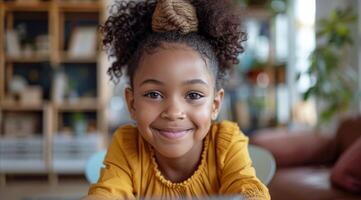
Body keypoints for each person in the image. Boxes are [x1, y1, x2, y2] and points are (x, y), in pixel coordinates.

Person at [85, 0, 270, 199]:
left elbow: (249, 191)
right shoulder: (128, 146)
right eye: (154, 94)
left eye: (193, 95)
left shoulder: (225, 144)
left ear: (215, 105)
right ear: (132, 103)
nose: (173, 112)